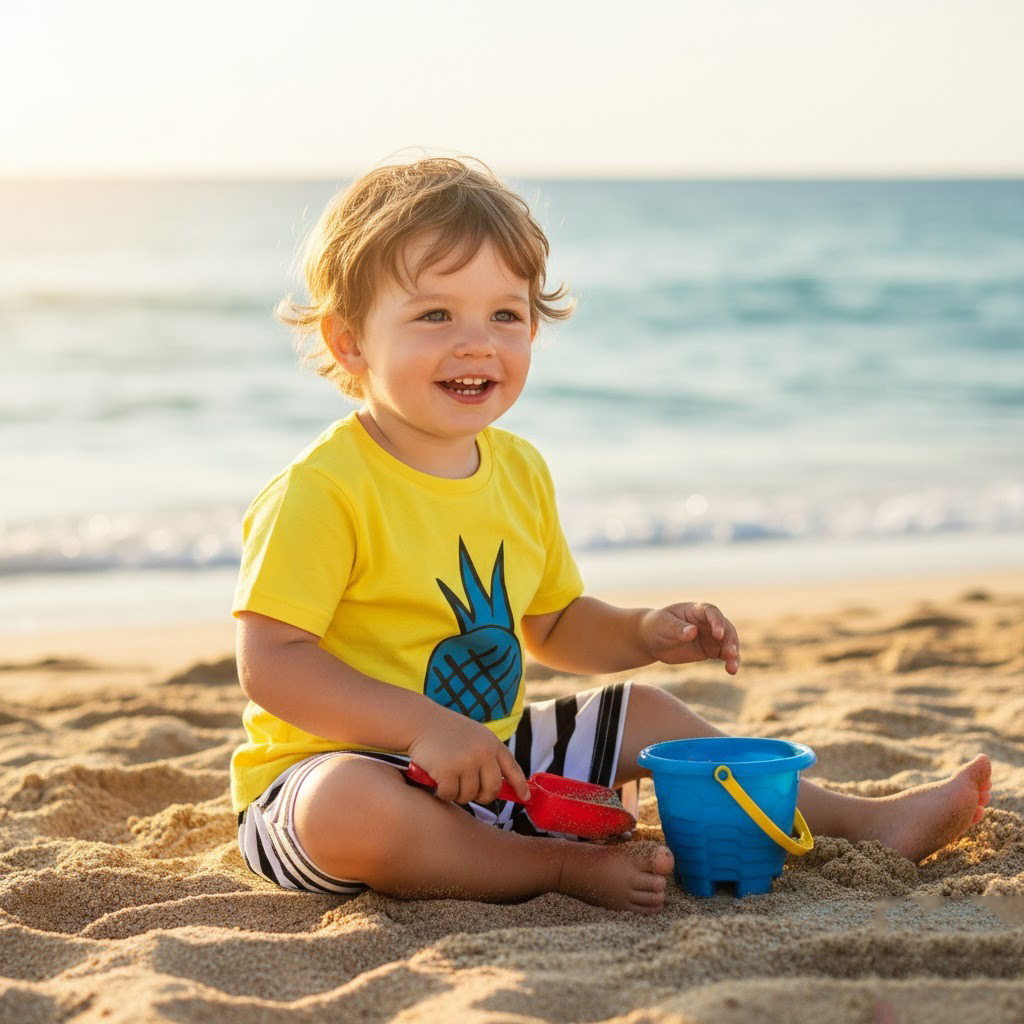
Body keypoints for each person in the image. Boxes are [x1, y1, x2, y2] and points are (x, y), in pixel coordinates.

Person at [231, 156, 992, 914]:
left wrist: (643, 632)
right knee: (350, 807)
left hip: (490, 767)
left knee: (647, 709)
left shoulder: (518, 470)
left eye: (506, 314)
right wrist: (423, 727)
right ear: (349, 342)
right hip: (327, 773)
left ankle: (861, 822)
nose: (476, 343)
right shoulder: (323, 489)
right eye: (435, 315)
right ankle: (551, 868)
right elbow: (274, 663)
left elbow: (554, 625)